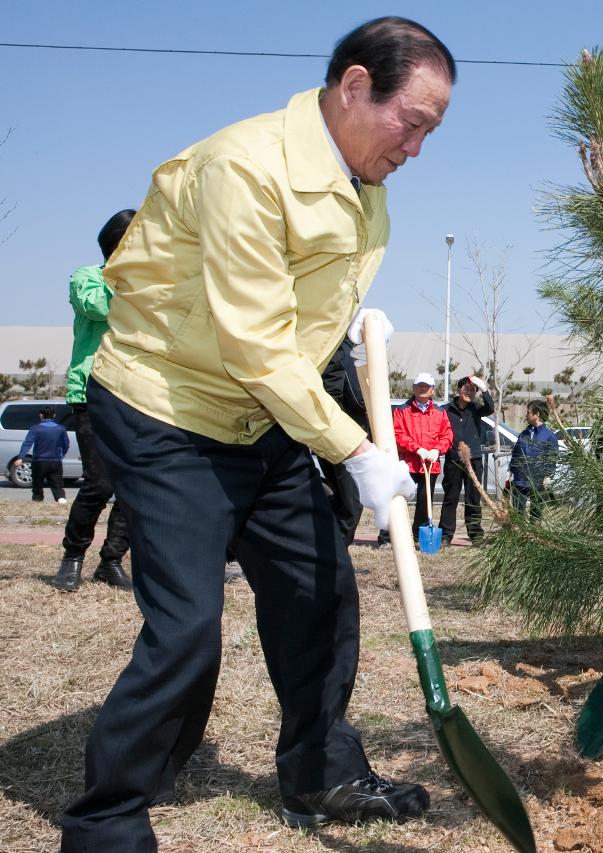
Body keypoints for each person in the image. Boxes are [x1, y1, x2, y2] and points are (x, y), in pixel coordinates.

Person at [58, 18, 455, 851]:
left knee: (320, 592)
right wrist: (352, 448)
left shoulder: (364, 183)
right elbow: (253, 342)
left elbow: (296, 328)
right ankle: (107, 816)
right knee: (188, 627)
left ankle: (321, 771)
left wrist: (349, 339)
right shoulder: (243, 166)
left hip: (263, 416)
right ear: (354, 87)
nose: (416, 147)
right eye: (410, 122)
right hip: (168, 408)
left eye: (432, 130)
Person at [54, 210, 136, 592]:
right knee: (99, 483)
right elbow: (98, 308)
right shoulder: (86, 277)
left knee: (136, 485)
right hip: (91, 389)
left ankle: (112, 560)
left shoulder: (154, 283)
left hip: (138, 393)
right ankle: (73, 557)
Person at [317, 338, 369, 545]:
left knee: (340, 499)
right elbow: (358, 398)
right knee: (351, 503)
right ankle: (336, 558)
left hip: (330, 434)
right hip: (343, 436)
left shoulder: (328, 344)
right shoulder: (344, 348)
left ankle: (331, 554)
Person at [393, 372, 452, 545]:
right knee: (397, 499)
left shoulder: (440, 413)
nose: (422, 388)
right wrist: (416, 448)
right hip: (408, 463)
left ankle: (418, 536)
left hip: (430, 464)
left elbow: (447, 435)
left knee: (425, 499)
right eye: (419, 385)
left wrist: (437, 450)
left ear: (432, 389)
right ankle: (390, 536)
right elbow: (398, 433)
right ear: (413, 388)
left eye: (426, 386)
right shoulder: (402, 410)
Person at [441, 374, 494, 546]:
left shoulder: (477, 409)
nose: (469, 393)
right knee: (451, 498)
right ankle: (445, 535)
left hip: (474, 459)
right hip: (454, 460)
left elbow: (491, 407)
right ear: (459, 389)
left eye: (473, 390)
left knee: (473, 498)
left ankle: (476, 535)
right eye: (466, 389)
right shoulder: (446, 410)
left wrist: (484, 388)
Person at [509, 400, 558, 517]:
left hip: (538, 483)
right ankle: (519, 534)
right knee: (517, 516)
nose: (526, 415)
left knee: (536, 516)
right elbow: (516, 454)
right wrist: (512, 470)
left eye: (528, 412)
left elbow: (552, 459)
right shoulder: (523, 434)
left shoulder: (549, 436)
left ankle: (533, 535)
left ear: (537, 414)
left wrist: (548, 476)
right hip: (520, 482)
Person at [19, 406, 69, 504]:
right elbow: (66, 444)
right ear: (54, 415)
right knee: (57, 482)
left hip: (39, 461)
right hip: (55, 461)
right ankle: (61, 498)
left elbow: (27, 443)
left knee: (37, 483)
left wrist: (21, 457)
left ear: (41, 415)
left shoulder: (35, 429)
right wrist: (61, 455)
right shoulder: (61, 429)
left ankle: (37, 499)